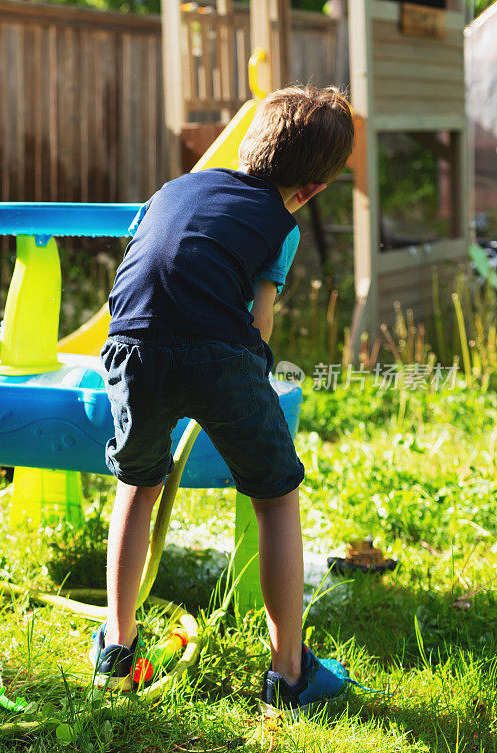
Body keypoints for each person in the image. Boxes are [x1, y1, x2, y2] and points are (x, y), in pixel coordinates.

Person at [88, 86, 355, 717]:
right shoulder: (280, 225)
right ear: (313, 190)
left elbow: (140, 267)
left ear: (247, 143)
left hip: (130, 344)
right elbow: (258, 326)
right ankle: (289, 677)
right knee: (274, 496)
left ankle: (117, 650)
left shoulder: (173, 188)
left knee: (137, 484)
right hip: (219, 356)